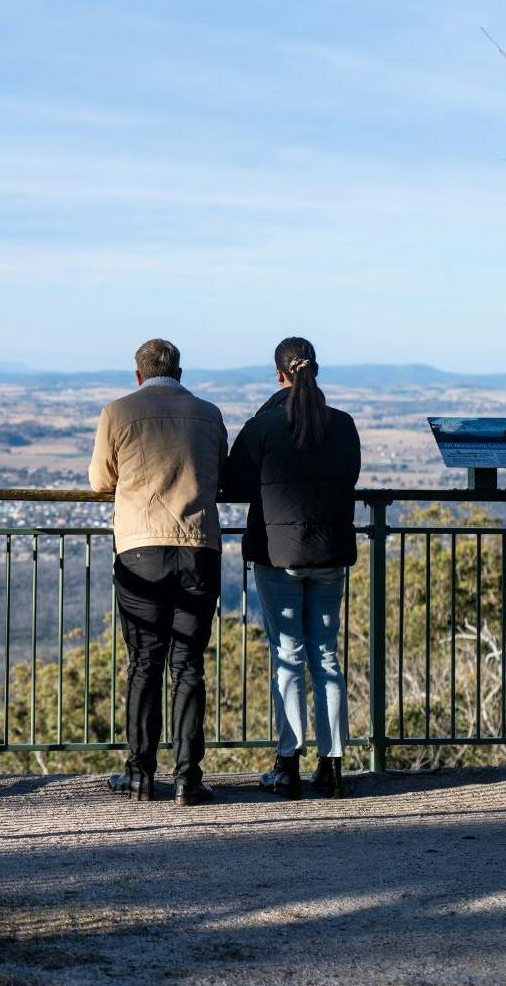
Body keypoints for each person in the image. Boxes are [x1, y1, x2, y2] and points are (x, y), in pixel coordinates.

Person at [90, 338, 227, 805]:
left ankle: (140, 775)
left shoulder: (118, 412)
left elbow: (100, 481)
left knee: (145, 663)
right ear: (181, 373)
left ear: (138, 375)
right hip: (198, 548)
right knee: (188, 665)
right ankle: (189, 778)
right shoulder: (209, 414)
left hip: (140, 551)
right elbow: (220, 475)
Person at [222, 337, 361, 800]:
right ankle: (334, 763)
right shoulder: (343, 425)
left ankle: (288, 763)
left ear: (280, 374)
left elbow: (233, 481)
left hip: (277, 554)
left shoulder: (264, 426)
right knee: (325, 657)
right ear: (316, 371)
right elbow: (350, 477)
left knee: (288, 656)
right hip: (330, 553)